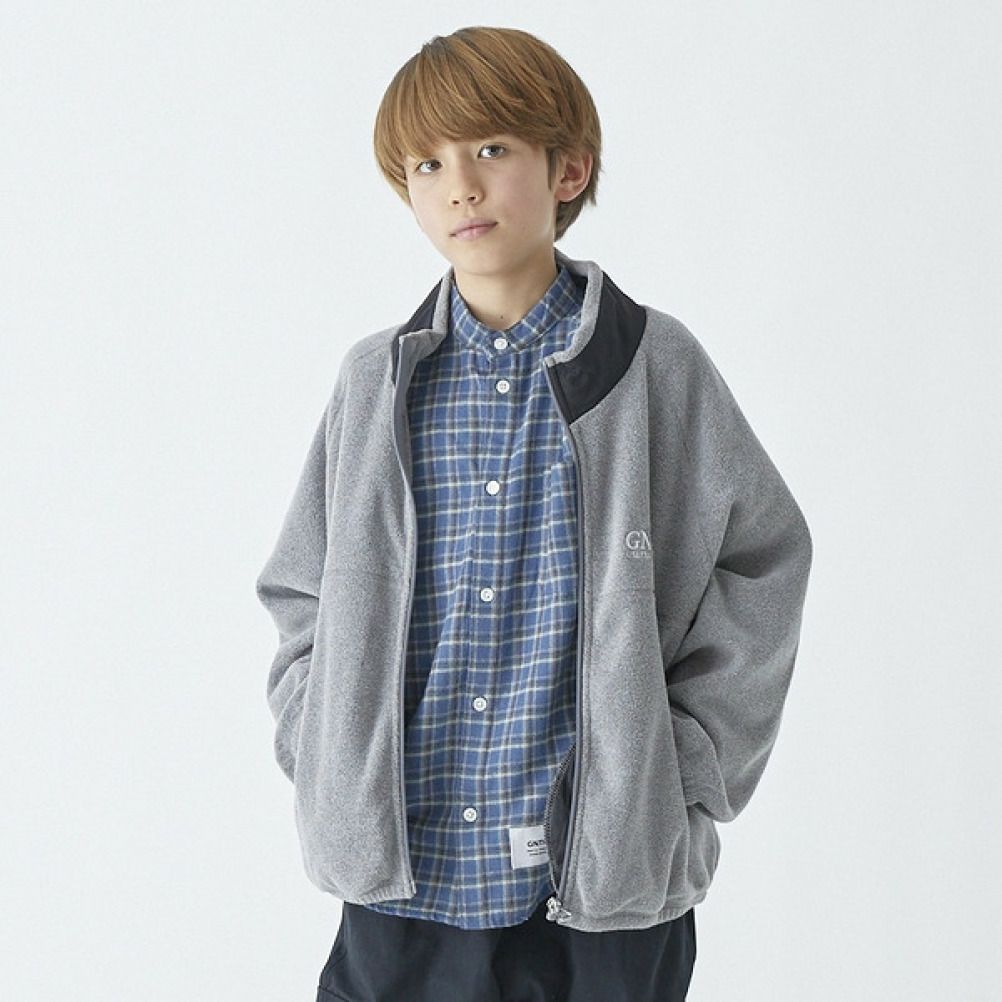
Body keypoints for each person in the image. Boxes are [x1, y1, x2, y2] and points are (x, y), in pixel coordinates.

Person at [256, 24, 813, 1002]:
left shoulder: (653, 367)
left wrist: (683, 768)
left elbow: (762, 556)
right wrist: (328, 751)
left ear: (568, 169)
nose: (460, 186)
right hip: (403, 887)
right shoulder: (376, 383)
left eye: (490, 149)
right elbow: (302, 588)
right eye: (428, 164)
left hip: (601, 895)